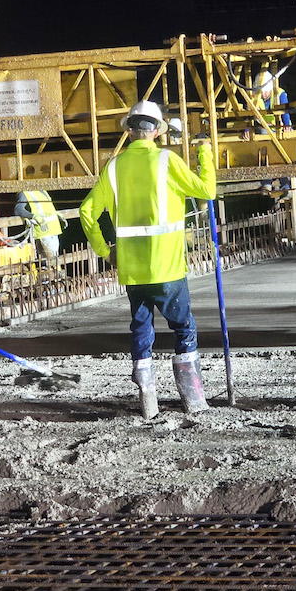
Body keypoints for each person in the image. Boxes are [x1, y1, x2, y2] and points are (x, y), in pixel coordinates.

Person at [80, 100, 216, 419]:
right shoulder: (167, 160)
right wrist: (204, 151)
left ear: (129, 131)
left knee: (141, 328)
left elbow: (87, 211)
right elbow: (207, 191)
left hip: (132, 270)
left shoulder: (113, 167)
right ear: (156, 131)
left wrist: (104, 249)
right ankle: (193, 398)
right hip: (167, 267)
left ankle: (146, 391)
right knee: (183, 327)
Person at [14, 189, 64, 262]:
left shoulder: (42, 190)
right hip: (43, 231)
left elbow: (46, 208)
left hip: (51, 229)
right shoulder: (25, 192)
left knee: (48, 262)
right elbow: (18, 209)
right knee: (52, 263)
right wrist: (33, 216)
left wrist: (56, 213)